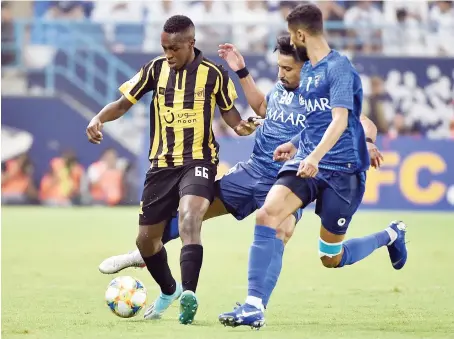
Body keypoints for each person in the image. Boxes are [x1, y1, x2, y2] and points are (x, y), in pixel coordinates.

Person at [98, 36, 382, 315]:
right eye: (279, 68)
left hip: (287, 181)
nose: (280, 74)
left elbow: (362, 122)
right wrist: (241, 71)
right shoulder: (283, 87)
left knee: (283, 234)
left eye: (287, 69)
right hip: (254, 170)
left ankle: (257, 305)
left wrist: (368, 143)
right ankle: (145, 254)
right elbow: (262, 108)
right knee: (194, 212)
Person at [218, 3, 408, 329]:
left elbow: (349, 120)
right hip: (305, 161)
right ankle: (253, 306)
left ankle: (391, 235)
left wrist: (360, 144)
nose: (292, 42)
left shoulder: (340, 70)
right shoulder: (307, 71)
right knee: (268, 216)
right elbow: (314, 121)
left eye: (293, 36)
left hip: (343, 171)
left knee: (330, 257)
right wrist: (295, 145)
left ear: (301, 34)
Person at [86, 15, 255, 325]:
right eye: (164, 48)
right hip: (161, 166)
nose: (169, 54)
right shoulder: (154, 69)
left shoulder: (214, 75)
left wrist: (243, 128)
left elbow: (233, 119)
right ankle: (169, 290)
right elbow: (123, 104)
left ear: (191, 43)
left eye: (174, 48)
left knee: (191, 216)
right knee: (146, 241)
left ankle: (189, 294)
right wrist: (98, 118)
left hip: (198, 161)